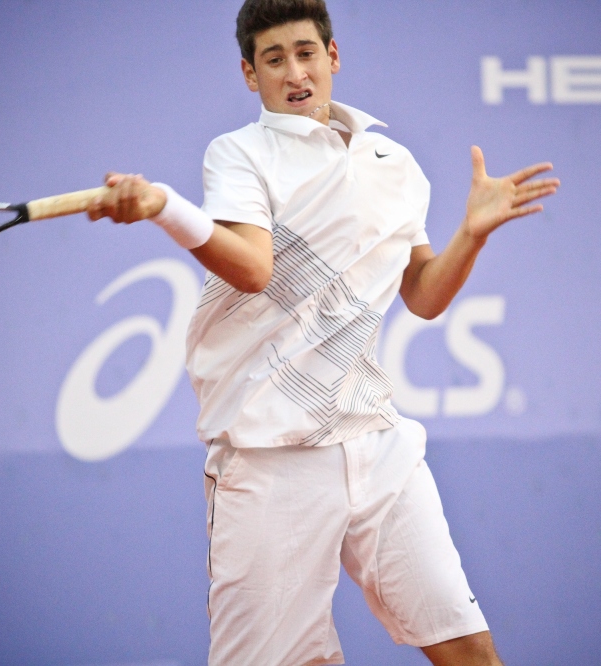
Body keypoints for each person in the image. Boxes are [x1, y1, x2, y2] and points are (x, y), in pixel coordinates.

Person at [87, 1, 558, 663]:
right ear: (251, 76)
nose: (294, 71)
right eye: (274, 59)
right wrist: (167, 208)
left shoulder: (394, 162)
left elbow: (422, 294)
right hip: (267, 456)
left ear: (332, 57)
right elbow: (253, 269)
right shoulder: (240, 154)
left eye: (306, 52)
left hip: (375, 441)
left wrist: (470, 237)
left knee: (471, 652)